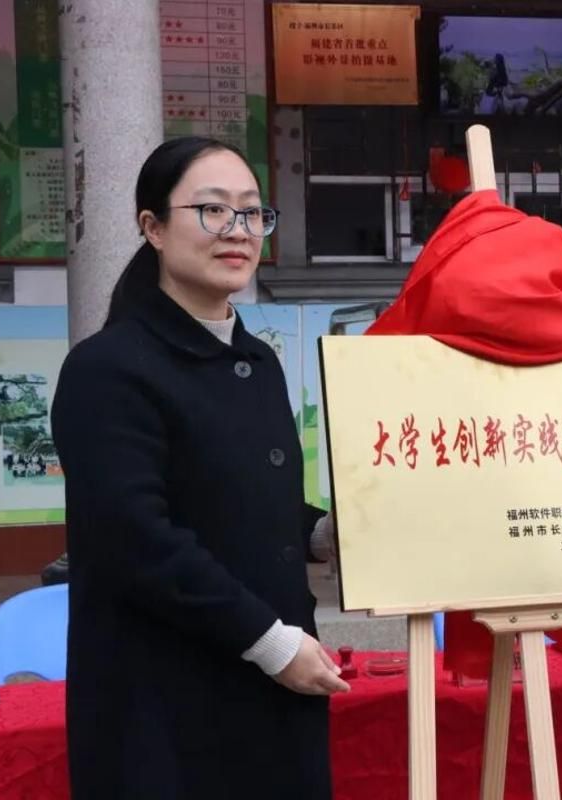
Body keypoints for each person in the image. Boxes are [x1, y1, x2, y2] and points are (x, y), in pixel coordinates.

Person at [51, 136, 347, 799]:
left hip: (270, 695)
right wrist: (273, 644)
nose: (237, 230)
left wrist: (322, 534)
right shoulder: (107, 369)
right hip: (163, 706)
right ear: (153, 227)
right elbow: (135, 538)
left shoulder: (257, 361)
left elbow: (233, 498)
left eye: (252, 212)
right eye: (213, 210)